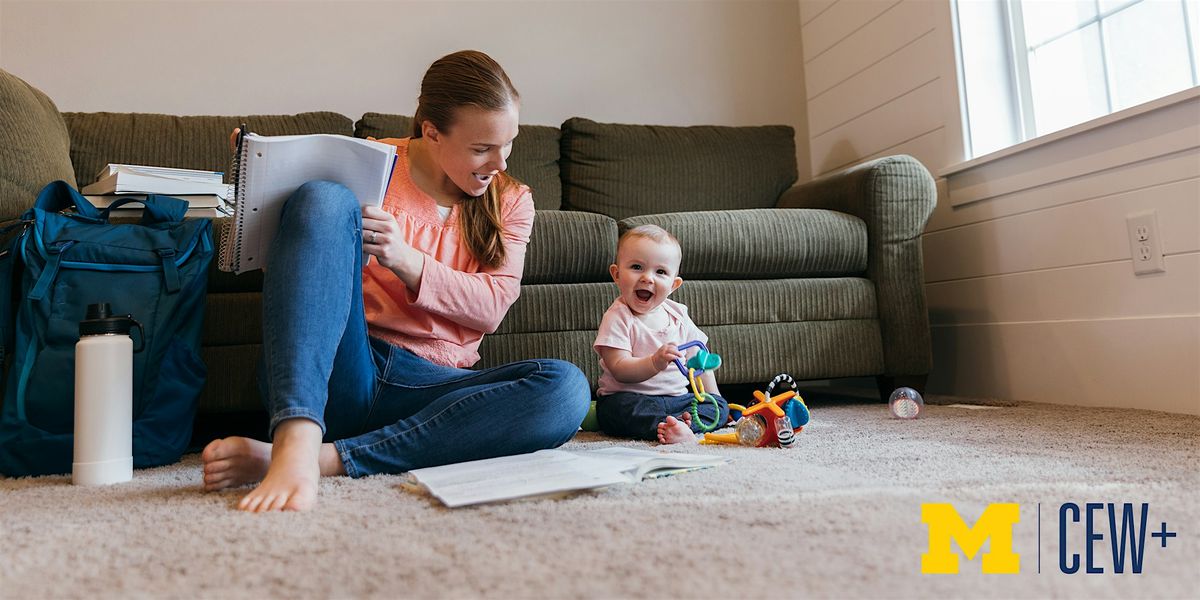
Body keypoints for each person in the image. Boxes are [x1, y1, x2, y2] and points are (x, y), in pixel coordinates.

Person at [201, 50, 590, 512]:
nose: (500, 163)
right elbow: (300, 285)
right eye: (481, 148)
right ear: (431, 132)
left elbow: (492, 307)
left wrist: (405, 259)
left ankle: (319, 459)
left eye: (509, 144)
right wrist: (264, 190)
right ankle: (297, 435)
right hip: (343, 371)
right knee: (323, 199)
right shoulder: (368, 165)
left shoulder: (511, 200)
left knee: (565, 389)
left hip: (431, 395)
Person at [592, 225, 729, 444]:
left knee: (719, 407)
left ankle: (684, 426)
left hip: (677, 399)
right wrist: (654, 362)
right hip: (631, 399)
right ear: (617, 275)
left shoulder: (678, 314)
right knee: (613, 412)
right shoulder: (617, 316)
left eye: (661, 272)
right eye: (637, 267)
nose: (648, 278)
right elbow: (619, 368)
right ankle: (668, 426)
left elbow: (700, 361)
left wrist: (713, 398)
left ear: (674, 285)